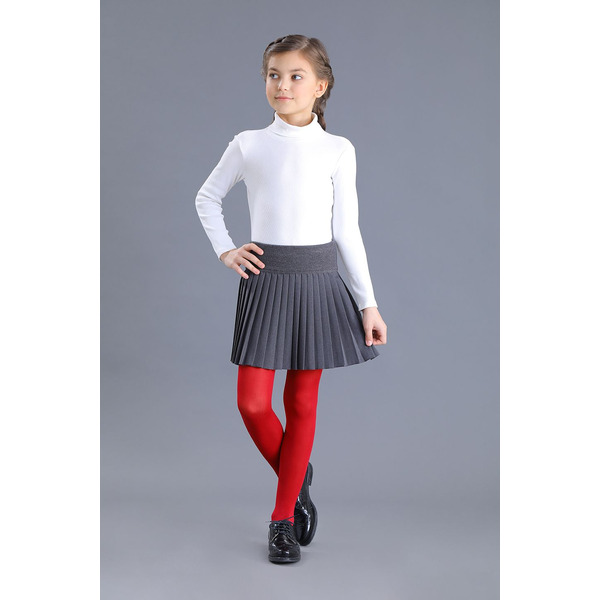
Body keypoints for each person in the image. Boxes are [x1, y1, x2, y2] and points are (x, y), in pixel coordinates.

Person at [194, 34, 387, 564]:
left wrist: (368, 303)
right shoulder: (248, 144)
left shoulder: (338, 149)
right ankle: (296, 473)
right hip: (266, 279)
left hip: (319, 280)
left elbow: (347, 230)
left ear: (320, 86)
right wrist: (226, 250)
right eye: (273, 75)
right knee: (253, 403)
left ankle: (281, 520)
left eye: (295, 75)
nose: (282, 85)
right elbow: (207, 197)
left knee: (301, 403)